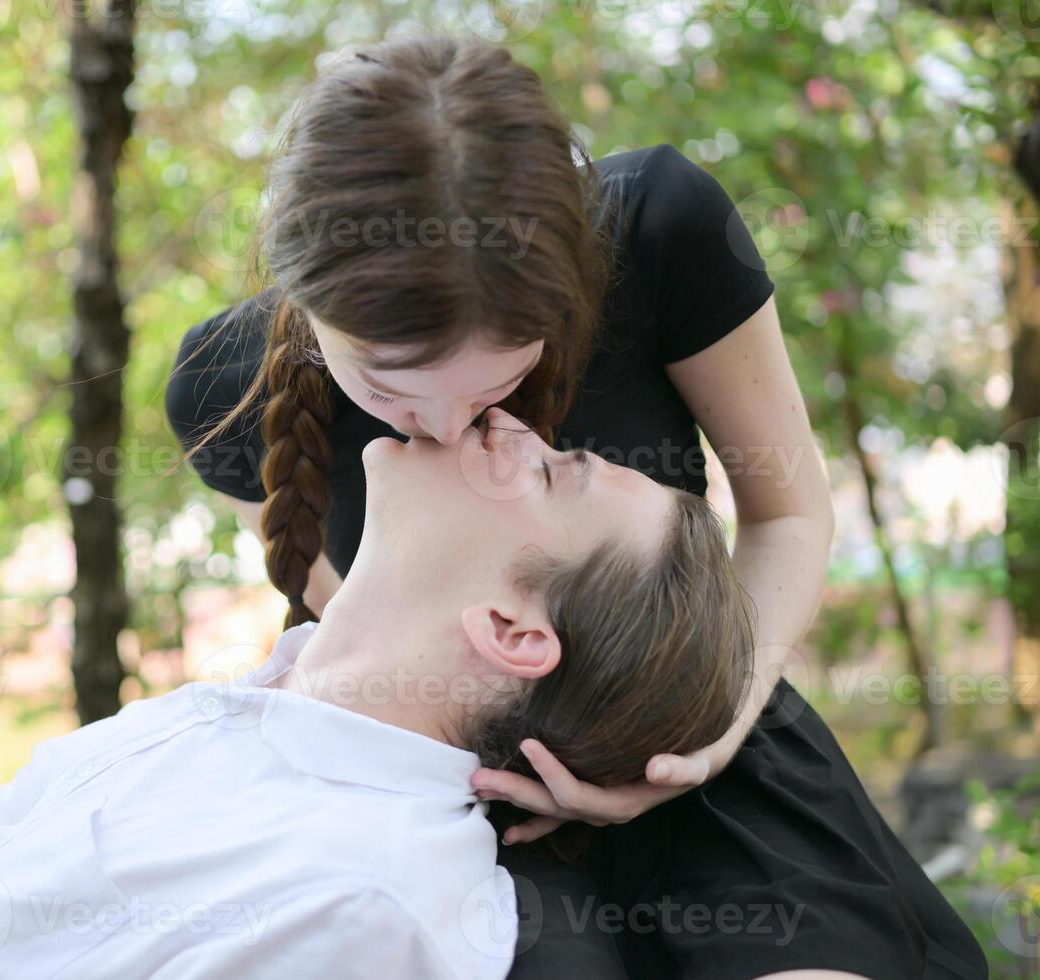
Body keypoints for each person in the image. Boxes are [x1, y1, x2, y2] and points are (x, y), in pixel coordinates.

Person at [161, 32, 985, 980]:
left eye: (495, 383)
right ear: (307, 301)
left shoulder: (661, 231)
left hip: (705, 749)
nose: (442, 428)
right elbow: (349, 637)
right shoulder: (222, 392)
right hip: (462, 817)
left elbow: (790, 514)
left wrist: (699, 747)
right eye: (389, 389)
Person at [0, 411, 753, 978]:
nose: (506, 422)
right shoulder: (273, 708)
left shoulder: (367, 904)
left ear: (510, 629)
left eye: (550, 472)